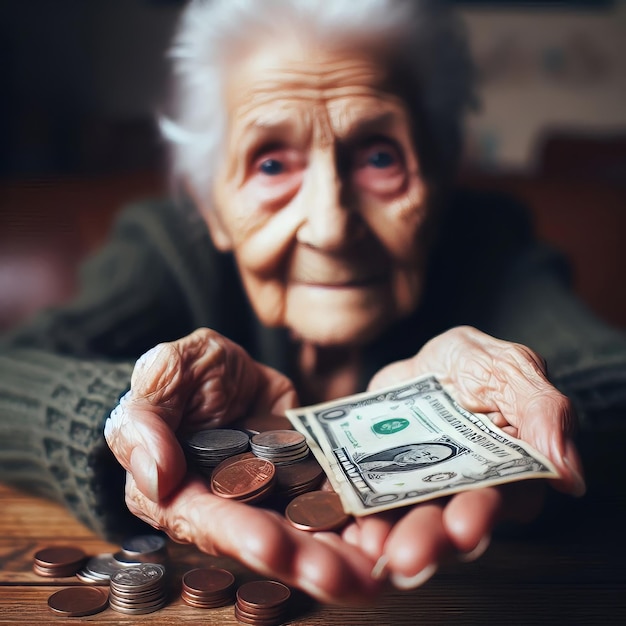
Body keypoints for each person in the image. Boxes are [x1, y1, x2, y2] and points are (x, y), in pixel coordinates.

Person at [2, 0, 626, 605]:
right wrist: (129, 429)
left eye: (381, 156)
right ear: (210, 204)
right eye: (272, 163)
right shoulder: (168, 248)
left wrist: (525, 438)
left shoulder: (489, 240)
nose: (330, 226)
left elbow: (610, 375)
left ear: (438, 176)